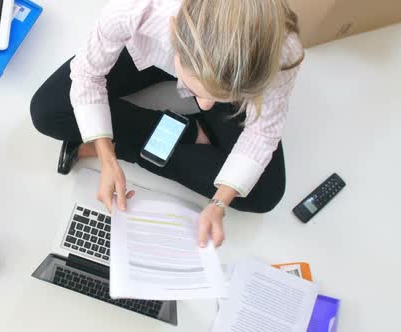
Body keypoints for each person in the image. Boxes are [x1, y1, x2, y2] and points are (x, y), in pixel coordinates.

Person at [30, 0, 304, 248]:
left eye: (218, 98)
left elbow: (263, 132)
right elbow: (88, 75)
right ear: (175, 31)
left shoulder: (283, 50)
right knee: (48, 111)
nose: (204, 106)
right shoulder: (137, 9)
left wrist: (219, 203)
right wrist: (107, 157)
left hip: (226, 68)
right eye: (198, 93)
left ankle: (134, 140)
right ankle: (183, 133)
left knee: (263, 193)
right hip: (147, 45)